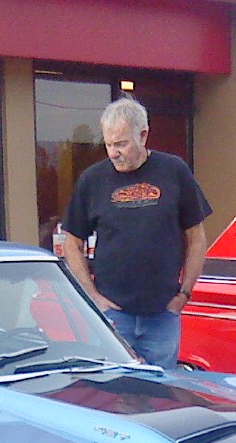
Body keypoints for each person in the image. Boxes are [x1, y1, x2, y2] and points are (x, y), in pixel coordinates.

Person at [61, 97, 212, 369]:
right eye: (108, 144)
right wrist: (93, 298)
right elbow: (72, 242)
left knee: (160, 394)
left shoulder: (174, 171)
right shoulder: (92, 180)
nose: (113, 152)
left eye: (121, 144)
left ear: (143, 135)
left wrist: (184, 295)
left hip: (163, 315)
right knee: (112, 393)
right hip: (113, 316)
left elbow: (197, 236)